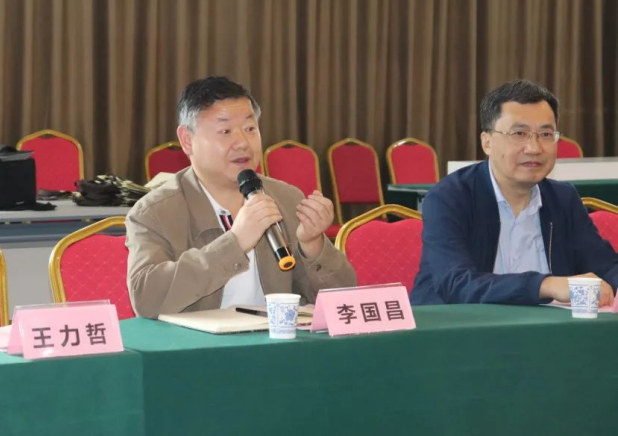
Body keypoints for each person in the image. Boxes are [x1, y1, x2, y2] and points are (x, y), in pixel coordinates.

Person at [126, 76, 356, 318]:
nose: (243, 143)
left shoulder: (287, 198)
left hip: (274, 338)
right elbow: (146, 300)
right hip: (197, 341)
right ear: (187, 140)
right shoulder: (154, 212)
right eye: (225, 131)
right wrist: (235, 242)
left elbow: (343, 300)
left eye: (250, 129)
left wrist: (313, 246)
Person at [410, 79, 618, 306]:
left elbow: (606, 267)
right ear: (487, 142)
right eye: (519, 133)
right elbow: (457, 284)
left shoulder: (562, 199)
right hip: (460, 325)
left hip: (550, 327)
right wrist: (545, 285)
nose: (534, 148)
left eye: (546, 134)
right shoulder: (450, 197)